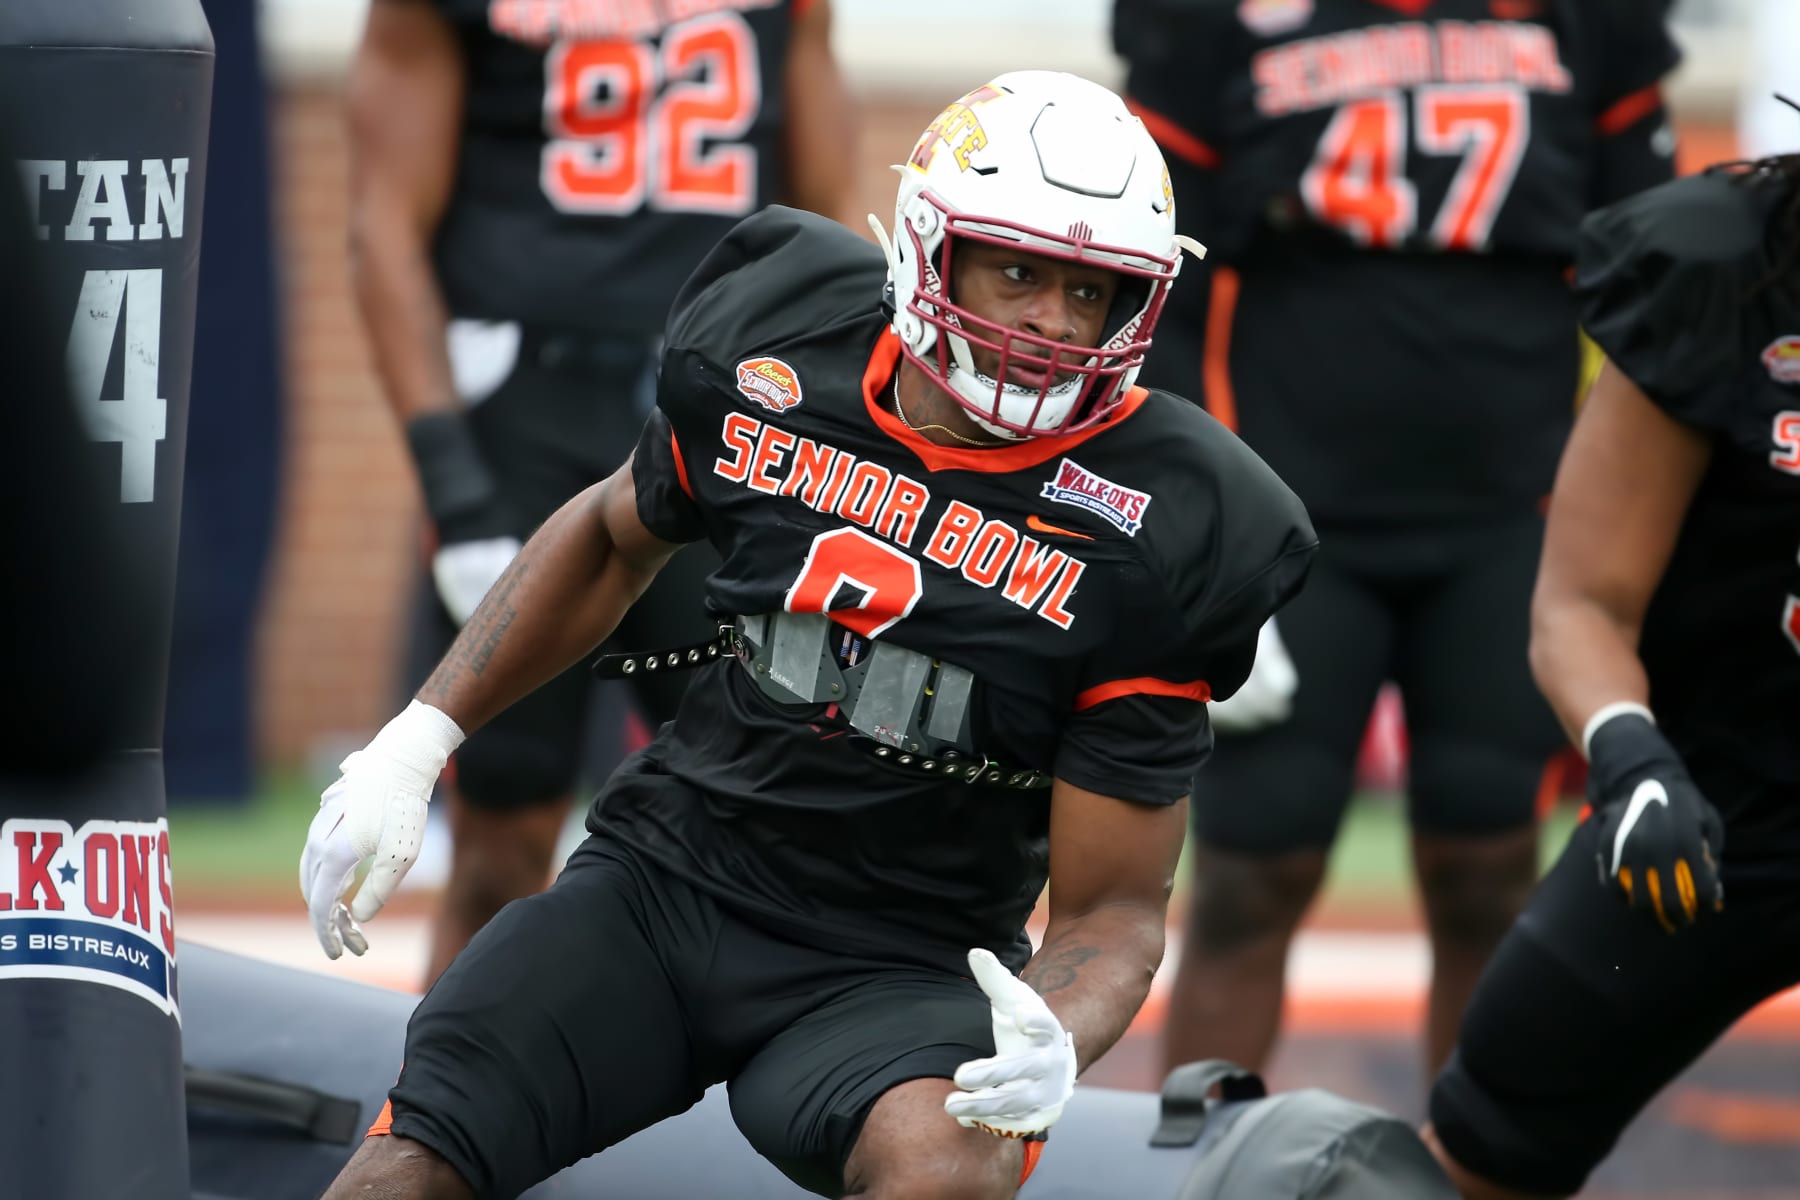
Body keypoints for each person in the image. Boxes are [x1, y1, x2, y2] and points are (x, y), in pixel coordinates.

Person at [300, 71, 1317, 1200]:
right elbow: (607, 534)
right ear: (931, 246)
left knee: (950, 1160)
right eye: (1020, 270)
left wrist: (1061, 1031)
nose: (1051, 323)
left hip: (902, 958)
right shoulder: (784, 334)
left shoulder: (1169, 521)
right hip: (665, 883)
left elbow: (1116, 906)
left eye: (1093, 290)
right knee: (409, 1163)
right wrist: (417, 738)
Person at [1112, 0, 1683, 1076]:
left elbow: (1647, 267)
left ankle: (1466, 1168)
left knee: (1488, 867)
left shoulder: (1591, 20)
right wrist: (1203, 529)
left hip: (1512, 515)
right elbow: (1157, 283)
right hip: (1288, 516)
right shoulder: (1218, 21)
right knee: (1246, 875)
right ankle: (1193, 1172)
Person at [345, 0, 856, 986]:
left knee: (772, 821)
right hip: (523, 408)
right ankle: (437, 1119)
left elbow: (827, 220)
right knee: (503, 831)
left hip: (723, 408)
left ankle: (758, 1123)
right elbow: (383, 226)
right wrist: (454, 485)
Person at [1421, 152, 1800, 1198]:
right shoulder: (1726, 263)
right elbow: (1583, 602)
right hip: (1721, 801)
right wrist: (1631, 754)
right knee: (1487, 1135)